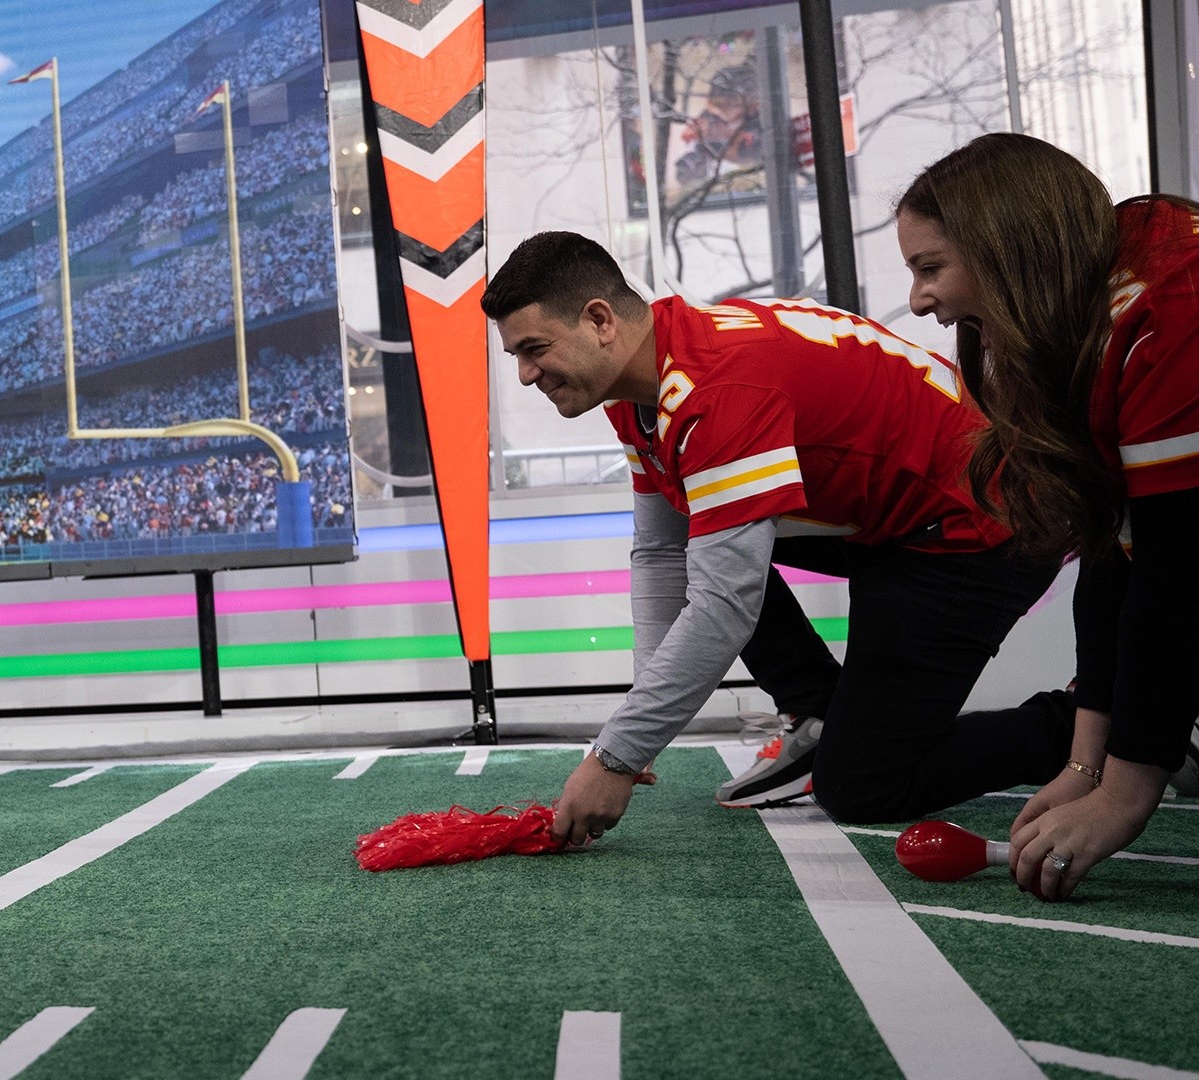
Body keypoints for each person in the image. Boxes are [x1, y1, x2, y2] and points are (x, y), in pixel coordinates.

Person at [479, 231, 1073, 847]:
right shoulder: (647, 375)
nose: (524, 376)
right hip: (909, 514)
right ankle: (818, 710)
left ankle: (1092, 726)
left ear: (599, 320)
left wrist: (616, 758)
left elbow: (723, 605)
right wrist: (641, 725)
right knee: (709, 544)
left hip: (986, 527)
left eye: (534, 348)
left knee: (863, 784)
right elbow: (661, 550)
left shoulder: (719, 392)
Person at [895, 132, 1199, 901]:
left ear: (1011, 253)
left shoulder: (1172, 312)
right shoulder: (1103, 300)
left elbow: (1179, 577)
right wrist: (1086, 765)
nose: (918, 299)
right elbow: (1114, 551)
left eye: (931, 268)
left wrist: (1127, 794)